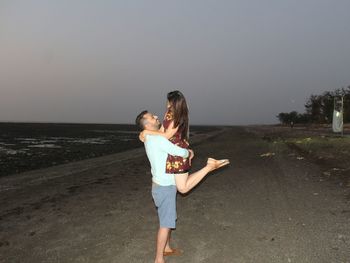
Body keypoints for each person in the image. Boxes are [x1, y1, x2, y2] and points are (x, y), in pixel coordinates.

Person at [136, 110, 229, 263]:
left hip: (161, 186)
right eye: (152, 117)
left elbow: (163, 133)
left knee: (166, 218)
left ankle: (166, 248)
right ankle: (158, 259)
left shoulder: (151, 136)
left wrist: (145, 131)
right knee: (166, 224)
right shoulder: (156, 140)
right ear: (147, 124)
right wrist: (189, 152)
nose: (156, 117)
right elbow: (179, 152)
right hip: (164, 188)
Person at [140, 91, 228, 194]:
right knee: (181, 186)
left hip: (178, 152)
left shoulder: (178, 117)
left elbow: (167, 135)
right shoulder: (168, 113)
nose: (167, 104)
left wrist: (146, 131)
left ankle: (209, 166)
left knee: (182, 188)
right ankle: (210, 166)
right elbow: (161, 131)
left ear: (174, 103)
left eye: (168, 102)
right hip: (171, 152)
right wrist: (147, 135)